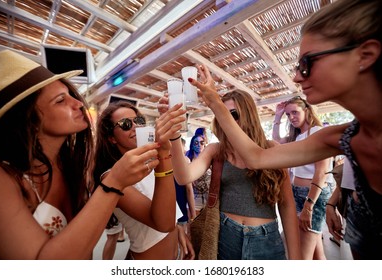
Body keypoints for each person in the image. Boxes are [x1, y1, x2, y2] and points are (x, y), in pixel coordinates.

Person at [188, 0, 382, 259]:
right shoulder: (338, 137)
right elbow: (256, 157)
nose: (297, 77)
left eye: (306, 63)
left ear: (365, 55)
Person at [0, 50, 159, 259]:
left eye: (71, 95)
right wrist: (114, 182)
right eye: (61, 100)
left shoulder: (71, 164)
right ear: (28, 119)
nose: (79, 103)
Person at [161, 90, 301, 260]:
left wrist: (296, 259)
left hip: (266, 239)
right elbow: (184, 177)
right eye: (221, 114)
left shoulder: (271, 149)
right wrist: (175, 135)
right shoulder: (217, 150)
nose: (226, 119)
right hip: (226, 236)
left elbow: (286, 206)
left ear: (248, 115)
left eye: (233, 114)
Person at [92, 101, 194, 260]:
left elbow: (167, 209)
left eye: (138, 121)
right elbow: (163, 224)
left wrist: (179, 230)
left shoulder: (151, 163)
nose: (135, 126)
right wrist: (163, 153)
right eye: (125, 124)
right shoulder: (112, 177)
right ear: (112, 138)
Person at [272, 97, 334, 259]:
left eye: (295, 112)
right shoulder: (298, 136)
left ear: (306, 110)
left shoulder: (317, 132)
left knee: (302, 256)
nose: (291, 117)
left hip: (312, 195)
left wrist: (309, 205)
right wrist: (277, 117)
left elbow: (322, 171)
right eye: (288, 114)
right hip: (298, 192)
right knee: (316, 253)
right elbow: (276, 143)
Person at [186, 134, 211, 212]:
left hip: (209, 201)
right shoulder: (188, 161)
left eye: (201, 142)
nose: (199, 145)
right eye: (196, 143)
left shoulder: (210, 160)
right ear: (192, 146)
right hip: (195, 201)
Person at [175, 138, 196, 234]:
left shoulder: (161, 161)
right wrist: (193, 214)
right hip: (180, 209)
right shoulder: (184, 161)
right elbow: (189, 189)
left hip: (167, 212)